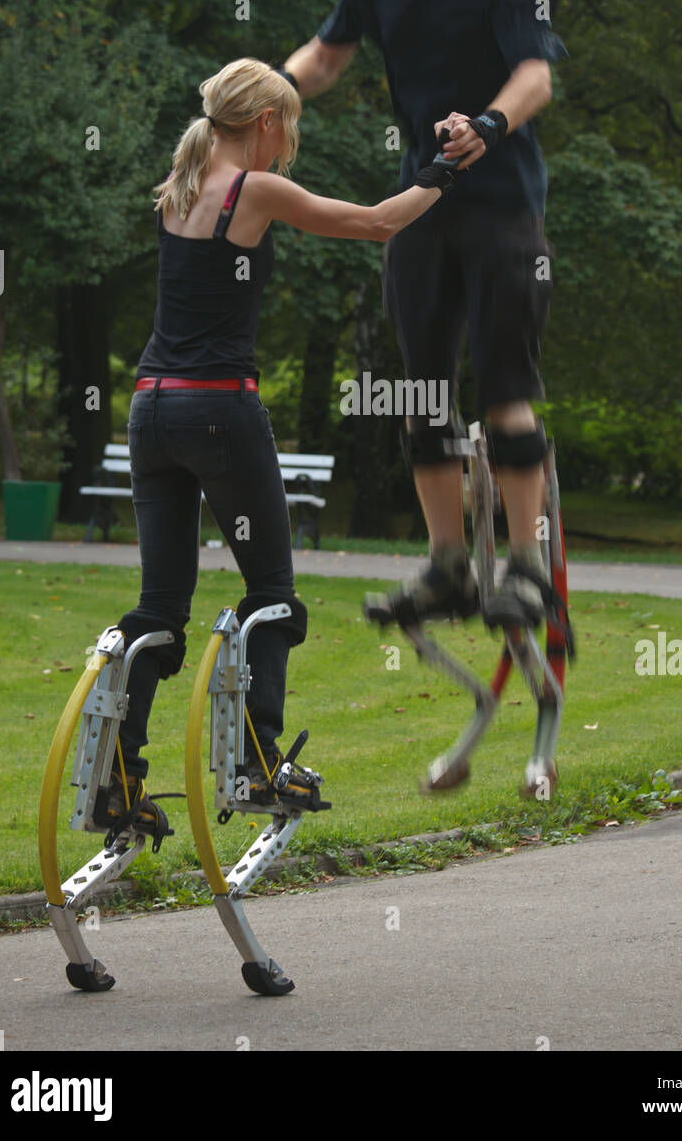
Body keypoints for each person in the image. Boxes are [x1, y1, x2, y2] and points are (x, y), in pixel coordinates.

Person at [97, 57, 462, 840]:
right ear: (265, 122)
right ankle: (260, 766)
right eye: (287, 126)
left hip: (150, 411)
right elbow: (376, 222)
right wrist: (446, 170)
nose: (287, 142)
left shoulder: (180, 190)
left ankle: (116, 776)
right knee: (272, 595)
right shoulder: (249, 190)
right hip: (220, 412)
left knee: (159, 607)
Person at [279, 0, 569, 632]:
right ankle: (447, 568)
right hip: (422, 202)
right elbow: (327, 57)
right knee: (420, 391)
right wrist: (271, 87)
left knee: (507, 392)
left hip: (504, 205)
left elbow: (535, 74)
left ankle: (526, 569)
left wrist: (491, 123)